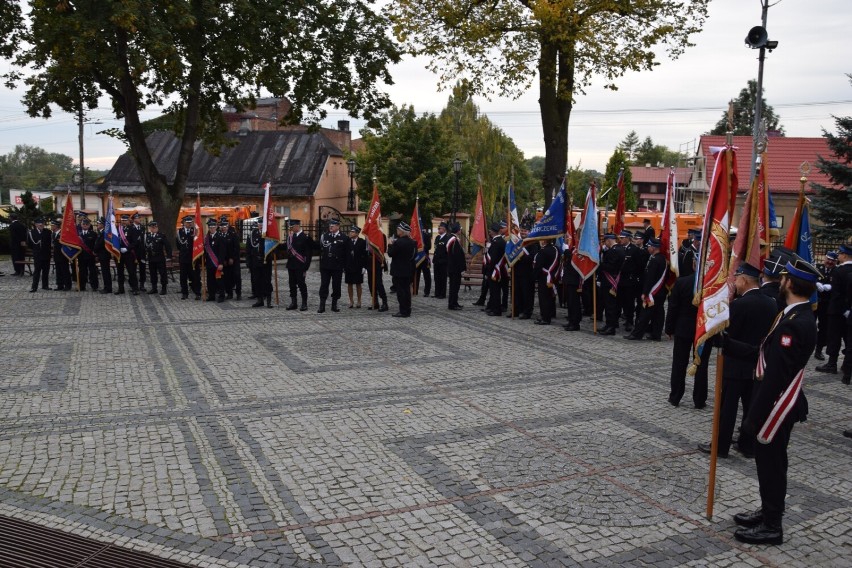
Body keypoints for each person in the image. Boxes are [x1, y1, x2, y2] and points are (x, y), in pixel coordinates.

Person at [732, 256, 819, 545]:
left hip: (777, 405)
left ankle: (772, 525)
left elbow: (776, 377)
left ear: (790, 283)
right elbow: (764, 354)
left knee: (772, 465)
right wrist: (727, 344)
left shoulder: (797, 322)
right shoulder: (793, 313)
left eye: (783, 278)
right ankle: (768, 510)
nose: (779, 281)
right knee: (770, 465)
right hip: (775, 400)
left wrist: (753, 416)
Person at [697, 262, 778, 457]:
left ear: (743, 279)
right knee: (751, 407)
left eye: (736, 279)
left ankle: (720, 446)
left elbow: (727, 336)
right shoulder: (771, 303)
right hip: (757, 366)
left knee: (727, 409)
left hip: (735, 365)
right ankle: (747, 445)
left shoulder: (739, 305)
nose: (735, 283)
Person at [664, 258, 710, 408]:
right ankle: (700, 399)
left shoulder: (682, 282)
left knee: (679, 364)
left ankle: (675, 396)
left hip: (683, 328)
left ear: (693, 264)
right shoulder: (711, 285)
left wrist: (669, 328)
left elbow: (673, 308)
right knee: (701, 365)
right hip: (703, 329)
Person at [816, 243, 852, 382]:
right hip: (849, 312)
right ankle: (846, 364)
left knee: (834, 338)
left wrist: (842, 309)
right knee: (848, 339)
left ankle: (832, 364)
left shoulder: (838, 271)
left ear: (843, 255)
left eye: (840, 254)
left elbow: (837, 294)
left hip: (836, 311)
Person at [625, 238, 667, 341]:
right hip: (660, 292)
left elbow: (650, 278)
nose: (648, 248)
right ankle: (656, 334)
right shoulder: (662, 258)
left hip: (653, 292)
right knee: (658, 314)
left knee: (645, 314)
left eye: (649, 246)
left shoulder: (655, 260)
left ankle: (637, 334)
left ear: (653, 247)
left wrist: (645, 292)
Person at [597, 233, 624, 335]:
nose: (605, 244)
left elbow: (611, 267)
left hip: (610, 281)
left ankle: (611, 327)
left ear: (609, 240)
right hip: (611, 281)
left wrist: (599, 265)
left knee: (610, 306)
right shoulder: (619, 249)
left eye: (605, 241)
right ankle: (609, 325)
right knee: (610, 305)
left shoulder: (614, 251)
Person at [388, 221, 416, 317]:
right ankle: (407, 310)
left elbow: (391, 254)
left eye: (398, 229)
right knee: (407, 290)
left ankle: (403, 311)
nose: (397, 231)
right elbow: (413, 256)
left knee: (401, 291)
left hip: (398, 270)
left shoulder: (398, 242)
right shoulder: (412, 242)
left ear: (402, 231)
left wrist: (390, 244)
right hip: (408, 269)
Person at [318, 218, 346, 313]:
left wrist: (344, 266)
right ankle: (322, 305)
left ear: (338, 226)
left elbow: (346, 254)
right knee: (324, 285)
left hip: (337, 266)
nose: (330, 227)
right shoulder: (324, 236)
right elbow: (320, 248)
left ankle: (334, 304)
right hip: (325, 266)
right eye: (330, 225)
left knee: (336, 285)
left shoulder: (343, 238)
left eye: (333, 226)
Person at [814, 251, 837, 360]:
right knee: (810, 325)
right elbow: (810, 279)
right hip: (815, 302)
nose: (830, 262)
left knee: (823, 328)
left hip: (826, 304)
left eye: (832, 261)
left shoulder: (837, 272)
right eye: (828, 259)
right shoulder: (817, 268)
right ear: (824, 259)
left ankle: (818, 350)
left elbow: (840, 284)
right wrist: (815, 283)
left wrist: (832, 287)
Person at [283, 219, 311, 311]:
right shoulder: (291, 237)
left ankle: (304, 303)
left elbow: (308, 254)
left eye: (292, 227)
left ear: (297, 226)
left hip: (300, 265)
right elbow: (285, 248)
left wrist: (306, 267)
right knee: (292, 284)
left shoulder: (305, 237)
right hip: (291, 265)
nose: (291, 229)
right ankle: (293, 302)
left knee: (301, 284)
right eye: (290, 227)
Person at [533, 238, 559, 325]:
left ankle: (545, 318)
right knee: (550, 296)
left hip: (544, 277)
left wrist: (534, 277)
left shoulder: (543, 251)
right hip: (553, 276)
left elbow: (538, 265)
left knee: (544, 298)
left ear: (544, 241)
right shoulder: (556, 249)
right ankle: (551, 313)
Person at [176, 215, 201, 300]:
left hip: (193, 258)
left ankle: (197, 292)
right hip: (183, 258)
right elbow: (179, 245)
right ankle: (184, 293)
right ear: (184, 223)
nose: (189, 224)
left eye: (190, 222)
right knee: (183, 277)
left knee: (195, 277)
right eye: (187, 222)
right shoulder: (180, 232)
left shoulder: (195, 231)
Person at [484, 223, 506, 316]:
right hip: (497, 269)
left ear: (492, 232)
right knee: (494, 290)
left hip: (495, 270)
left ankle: (496, 310)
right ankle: (493, 307)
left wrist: (489, 268)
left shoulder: (497, 242)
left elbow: (493, 258)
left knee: (495, 290)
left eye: (490, 230)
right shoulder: (500, 240)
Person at [144, 221, 172, 295]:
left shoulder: (161, 235)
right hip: (151, 257)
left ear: (157, 227)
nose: (153, 229)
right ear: (150, 228)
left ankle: (164, 288)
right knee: (152, 273)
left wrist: (169, 256)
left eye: (155, 227)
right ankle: (154, 288)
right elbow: (145, 247)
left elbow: (168, 246)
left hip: (160, 257)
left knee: (162, 273)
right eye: (152, 227)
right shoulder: (148, 236)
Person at [116, 214, 140, 295]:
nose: (123, 222)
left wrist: (127, 248)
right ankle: (121, 288)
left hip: (129, 253)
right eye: (122, 220)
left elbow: (135, 242)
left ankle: (135, 288)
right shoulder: (117, 229)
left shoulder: (132, 229)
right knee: (120, 271)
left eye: (125, 220)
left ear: (128, 221)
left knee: (131, 271)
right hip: (119, 253)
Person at [365, 233, 389, 312]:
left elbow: (384, 249)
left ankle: (384, 302)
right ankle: (375, 301)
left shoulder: (381, 235)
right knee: (370, 283)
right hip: (369, 261)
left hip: (378, 261)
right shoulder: (368, 235)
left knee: (378, 282)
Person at [344, 225, 367, 308]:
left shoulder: (362, 242)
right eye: (350, 231)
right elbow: (344, 255)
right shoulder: (347, 241)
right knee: (349, 284)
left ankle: (359, 301)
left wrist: (364, 266)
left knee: (358, 284)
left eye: (352, 232)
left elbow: (365, 255)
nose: (350, 233)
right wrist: (344, 266)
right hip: (349, 266)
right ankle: (351, 301)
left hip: (358, 266)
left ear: (357, 233)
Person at [28, 217, 52, 292]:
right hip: (37, 255)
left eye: (42, 224)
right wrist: (36, 250)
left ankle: (45, 285)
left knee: (46, 271)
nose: (41, 225)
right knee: (37, 271)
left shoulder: (48, 232)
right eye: (39, 224)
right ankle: (34, 287)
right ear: (35, 225)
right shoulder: (31, 232)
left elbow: (49, 243)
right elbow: (30, 244)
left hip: (46, 254)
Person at [446, 222, 465, 311]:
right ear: (457, 230)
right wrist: (461, 268)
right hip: (455, 268)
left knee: (454, 286)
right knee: (454, 287)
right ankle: (452, 304)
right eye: (460, 229)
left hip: (453, 267)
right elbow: (457, 256)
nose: (461, 230)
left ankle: (454, 302)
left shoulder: (453, 238)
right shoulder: (453, 240)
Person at [77, 217, 99, 291]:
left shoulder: (93, 234)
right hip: (81, 256)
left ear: (89, 225)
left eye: (87, 224)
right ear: (81, 225)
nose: (85, 225)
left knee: (92, 272)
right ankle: (82, 286)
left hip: (90, 256)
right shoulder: (78, 234)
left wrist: (96, 255)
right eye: (83, 224)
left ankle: (94, 286)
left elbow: (96, 245)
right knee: (82, 272)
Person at [245, 213, 263, 301]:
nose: (260, 226)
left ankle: (265, 293)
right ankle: (256, 293)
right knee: (254, 278)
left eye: (262, 224)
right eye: (259, 224)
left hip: (264, 261)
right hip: (254, 260)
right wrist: (248, 262)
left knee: (264, 279)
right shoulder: (252, 234)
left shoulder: (267, 234)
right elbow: (248, 249)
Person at [51, 218, 72, 291]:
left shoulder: (62, 234)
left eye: (52, 225)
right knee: (58, 271)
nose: (51, 227)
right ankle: (60, 285)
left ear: (56, 226)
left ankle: (67, 285)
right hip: (57, 255)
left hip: (63, 255)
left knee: (65, 271)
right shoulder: (54, 234)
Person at [93, 218, 113, 294]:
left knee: (106, 272)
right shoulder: (101, 232)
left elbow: (100, 244)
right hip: (101, 254)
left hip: (104, 254)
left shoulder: (104, 233)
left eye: (99, 224)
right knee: (105, 272)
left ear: (102, 225)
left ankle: (108, 288)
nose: (97, 225)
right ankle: (107, 287)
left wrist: (95, 251)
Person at [432, 221, 450, 299]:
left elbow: (447, 251)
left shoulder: (447, 238)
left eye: (440, 228)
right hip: (436, 261)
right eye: (438, 228)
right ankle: (437, 293)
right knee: (436, 278)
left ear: (444, 229)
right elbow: (436, 249)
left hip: (443, 262)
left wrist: (444, 260)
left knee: (443, 278)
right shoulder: (437, 237)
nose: (438, 229)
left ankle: (442, 294)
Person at [130, 213, 147, 291]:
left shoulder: (142, 228)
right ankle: (134, 285)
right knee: (132, 269)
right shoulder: (130, 228)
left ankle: (142, 284)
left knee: (142, 269)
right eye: (138, 218)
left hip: (141, 252)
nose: (140, 219)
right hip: (133, 252)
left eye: (140, 218)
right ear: (134, 219)